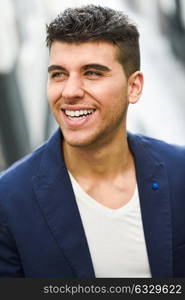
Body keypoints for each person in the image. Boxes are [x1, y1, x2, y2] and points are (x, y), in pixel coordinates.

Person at [0, 4, 185, 278]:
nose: (70, 91)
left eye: (92, 73)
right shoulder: (9, 200)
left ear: (133, 87)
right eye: (59, 74)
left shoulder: (180, 173)